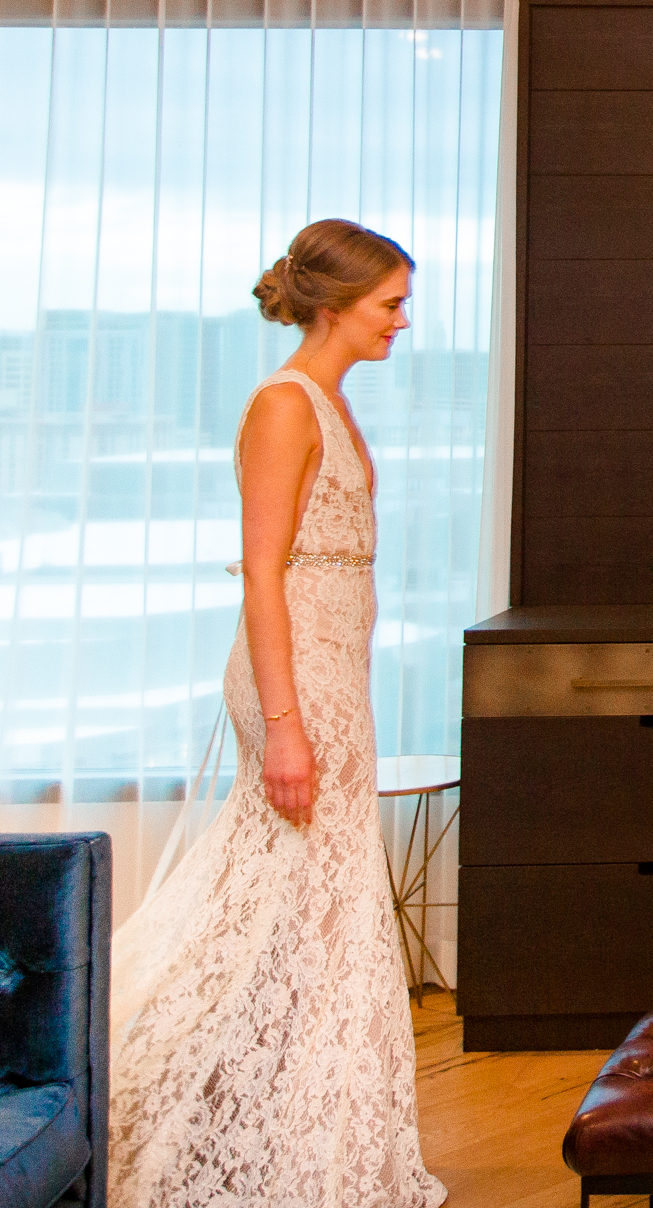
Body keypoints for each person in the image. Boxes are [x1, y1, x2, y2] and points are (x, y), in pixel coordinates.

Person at [108, 219, 446, 1208]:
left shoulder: (329, 400)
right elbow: (262, 573)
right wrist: (287, 724)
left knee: (315, 905)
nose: (401, 320)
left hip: (334, 675)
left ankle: (302, 1143)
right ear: (334, 304)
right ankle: (147, 1090)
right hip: (295, 678)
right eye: (389, 302)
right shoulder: (285, 404)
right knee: (303, 899)